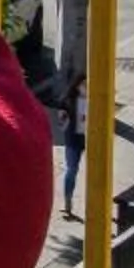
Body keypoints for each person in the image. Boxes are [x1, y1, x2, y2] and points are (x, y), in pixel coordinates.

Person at [58, 74, 85, 221]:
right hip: (74, 140)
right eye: (83, 85)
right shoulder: (68, 101)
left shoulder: (94, 101)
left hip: (89, 139)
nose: (86, 88)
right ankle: (68, 201)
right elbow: (62, 123)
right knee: (71, 169)